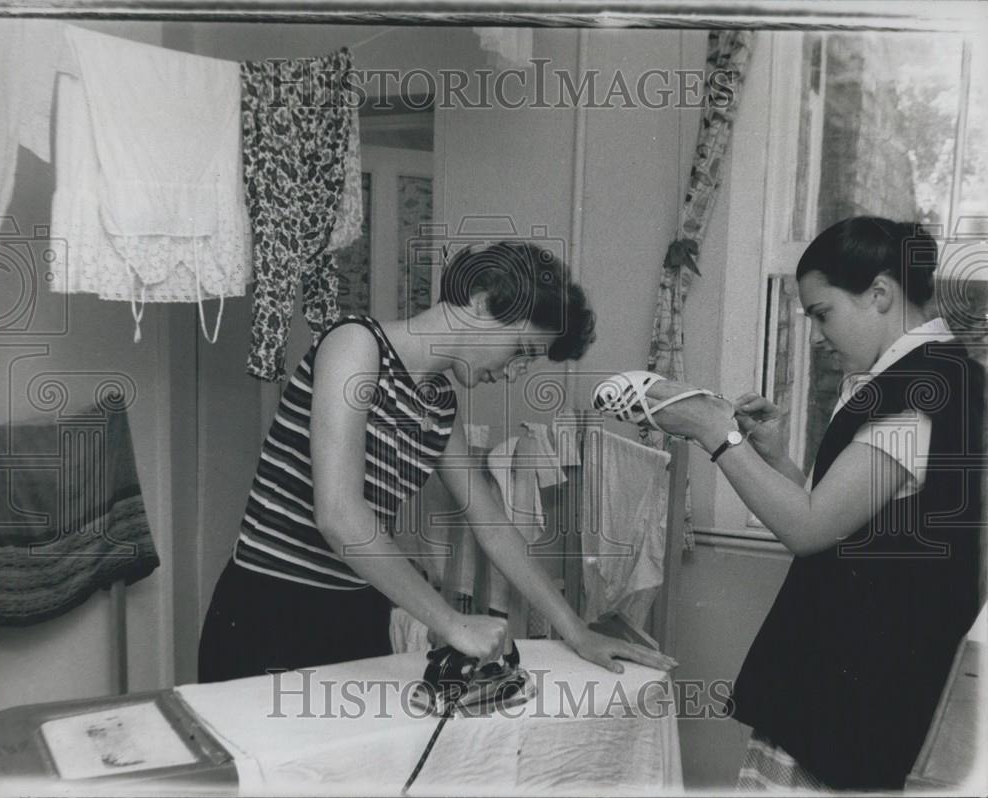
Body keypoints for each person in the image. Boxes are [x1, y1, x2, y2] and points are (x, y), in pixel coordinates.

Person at [199, 241, 676, 683]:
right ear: (483, 302)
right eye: (521, 351)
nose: (513, 373)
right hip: (270, 609)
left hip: (357, 613)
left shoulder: (439, 403)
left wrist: (576, 631)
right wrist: (452, 623)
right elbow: (339, 517)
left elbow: (491, 524)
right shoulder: (354, 346)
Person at [632, 217, 984, 790]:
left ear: (879, 294)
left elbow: (809, 528)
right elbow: (848, 521)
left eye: (823, 313)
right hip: (862, 673)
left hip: (860, 689)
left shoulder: (918, 395)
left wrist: (711, 430)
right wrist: (772, 457)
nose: (818, 335)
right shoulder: (941, 376)